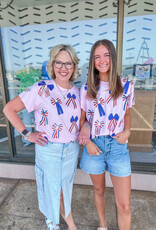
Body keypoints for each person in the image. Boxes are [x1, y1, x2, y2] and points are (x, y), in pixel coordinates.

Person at [3, 44, 80, 230]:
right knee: (50, 190)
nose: (63, 68)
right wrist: (27, 134)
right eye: (58, 63)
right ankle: (56, 223)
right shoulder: (40, 88)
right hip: (49, 148)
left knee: (64, 191)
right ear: (52, 65)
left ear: (74, 66)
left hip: (71, 149)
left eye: (68, 63)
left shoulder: (78, 92)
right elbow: (9, 109)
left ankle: (66, 223)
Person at [78, 39, 135, 230]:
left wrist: (127, 131)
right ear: (92, 61)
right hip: (94, 146)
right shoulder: (86, 88)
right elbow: (82, 119)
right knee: (99, 189)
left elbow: (127, 113)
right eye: (97, 56)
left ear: (113, 57)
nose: (101, 60)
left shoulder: (126, 85)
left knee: (125, 205)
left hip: (118, 146)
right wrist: (87, 143)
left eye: (106, 55)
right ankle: (102, 225)